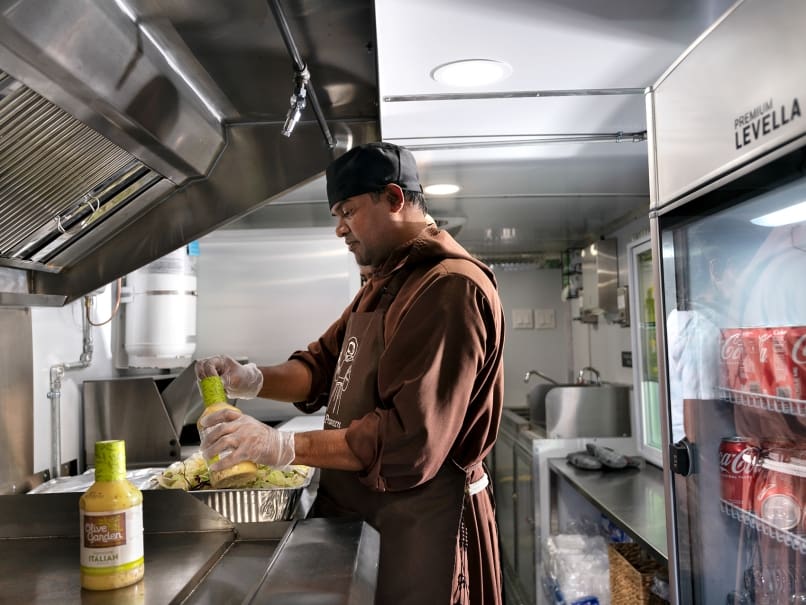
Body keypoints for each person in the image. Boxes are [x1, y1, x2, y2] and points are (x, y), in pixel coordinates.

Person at [196, 141, 505, 605]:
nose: (339, 229)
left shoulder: (449, 289)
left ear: (395, 199)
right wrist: (252, 379)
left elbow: (408, 442)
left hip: (422, 524)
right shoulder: (385, 283)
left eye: (349, 211)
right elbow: (321, 367)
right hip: (370, 515)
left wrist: (280, 446)